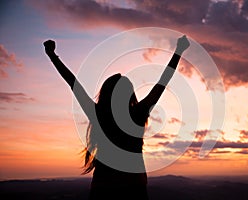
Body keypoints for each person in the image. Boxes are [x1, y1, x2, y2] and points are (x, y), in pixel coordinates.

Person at [44, 35, 190, 200]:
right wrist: (178, 50)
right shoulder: (138, 114)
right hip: (134, 187)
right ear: (129, 94)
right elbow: (162, 82)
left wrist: (52, 56)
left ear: (106, 93)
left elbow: (73, 83)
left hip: (104, 186)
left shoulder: (98, 114)